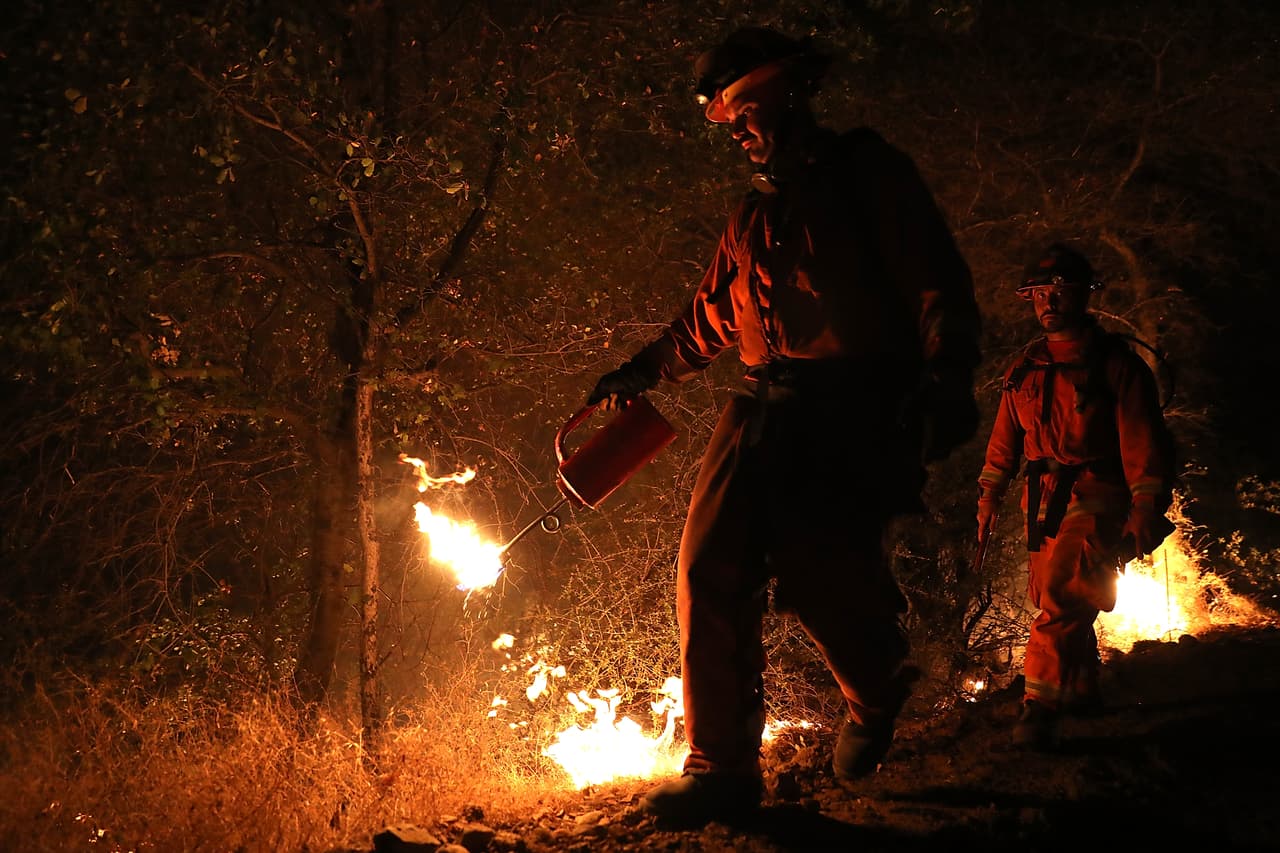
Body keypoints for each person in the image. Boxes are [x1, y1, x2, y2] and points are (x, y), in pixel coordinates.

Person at [584, 27, 981, 823]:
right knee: (706, 570)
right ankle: (720, 769)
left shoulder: (870, 174)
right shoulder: (749, 216)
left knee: (819, 578)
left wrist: (946, 375)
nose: (735, 131)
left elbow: (935, 280)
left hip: (855, 407)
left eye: (742, 111)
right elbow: (705, 319)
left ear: (787, 95)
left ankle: (875, 690)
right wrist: (643, 368)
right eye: (728, 120)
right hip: (761, 408)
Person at [976, 243, 1176, 750]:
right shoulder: (1025, 367)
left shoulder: (1116, 366)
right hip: (1041, 500)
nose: (1049, 301)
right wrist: (989, 497)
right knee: (1054, 598)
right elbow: (1004, 442)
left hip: (1098, 492)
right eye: (1040, 293)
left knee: (1064, 593)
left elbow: (1142, 443)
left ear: (1082, 297)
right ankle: (1082, 693)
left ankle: (1038, 706)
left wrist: (1145, 508)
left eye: (1060, 291)